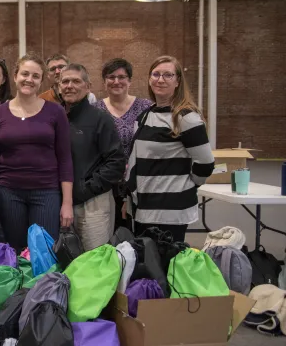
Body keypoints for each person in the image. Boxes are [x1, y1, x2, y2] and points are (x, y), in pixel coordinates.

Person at [0, 53, 74, 251]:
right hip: (9, 193)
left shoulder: (56, 112)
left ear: (41, 81)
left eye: (35, 76)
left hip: (46, 193)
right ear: (15, 76)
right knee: (14, 253)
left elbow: (65, 159)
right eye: (25, 74)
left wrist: (67, 202)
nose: (29, 80)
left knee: (43, 253)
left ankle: (42, 285)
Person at [126, 56, 215, 243]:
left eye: (168, 75)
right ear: (149, 79)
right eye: (156, 74)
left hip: (170, 211)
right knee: (148, 266)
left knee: (165, 266)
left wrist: (186, 186)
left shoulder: (185, 118)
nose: (161, 79)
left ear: (178, 81)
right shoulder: (145, 115)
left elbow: (205, 163)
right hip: (144, 207)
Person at [59, 64, 125, 250]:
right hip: (61, 201)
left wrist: (84, 189)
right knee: (65, 263)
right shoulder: (55, 117)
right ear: (59, 86)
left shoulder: (100, 119)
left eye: (76, 81)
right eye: (65, 81)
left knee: (95, 263)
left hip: (93, 203)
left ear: (88, 87)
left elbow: (116, 163)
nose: (69, 85)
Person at [95, 58, 152, 231]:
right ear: (104, 81)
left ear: (130, 80)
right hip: (106, 185)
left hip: (140, 183)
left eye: (122, 77)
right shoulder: (95, 110)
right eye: (111, 77)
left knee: (141, 234)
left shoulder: (146, 108)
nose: (116, 82)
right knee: (110, 234)